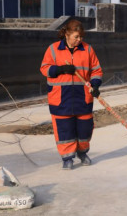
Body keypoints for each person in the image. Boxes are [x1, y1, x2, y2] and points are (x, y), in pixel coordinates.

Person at [40, 20, 103, 170]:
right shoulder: (53, 49)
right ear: (67, 34)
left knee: (85, 129)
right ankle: (67, 158)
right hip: (61, 99)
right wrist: (60, 69)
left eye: (81, 37)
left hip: (83, 97)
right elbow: (44, 69)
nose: (79, 40)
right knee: (64, 129)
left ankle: (82, 153)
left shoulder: (87, 49)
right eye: (76, 37)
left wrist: (95, 85)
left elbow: (96, 70)